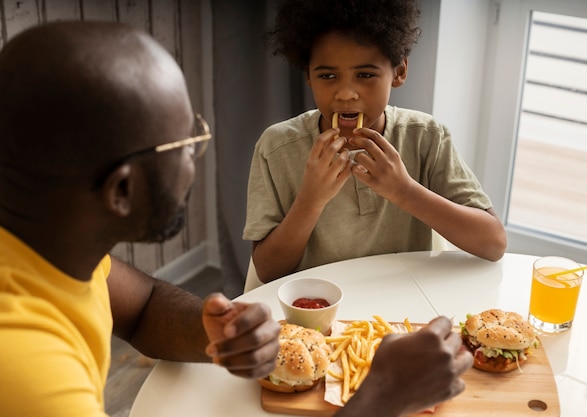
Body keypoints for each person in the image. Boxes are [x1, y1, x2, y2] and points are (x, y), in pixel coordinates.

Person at [0, 21, 472, 417]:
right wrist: (384, 394)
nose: (196, 158)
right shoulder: (30, 377)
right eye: (185, 142)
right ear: (121, 190)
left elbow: (140, 306)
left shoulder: (46, 246)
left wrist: (213, 332)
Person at [244, 0, 508, 283]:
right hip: (317, 312)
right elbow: (269, 271)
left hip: (405, 304)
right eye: (328, 75)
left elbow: (493, 243)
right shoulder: (276, 148)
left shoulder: (427, 137)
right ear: (308, 74)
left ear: (399, 71)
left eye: (366, 75)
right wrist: (311, 199)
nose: (345, 93)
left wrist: (404, 191)